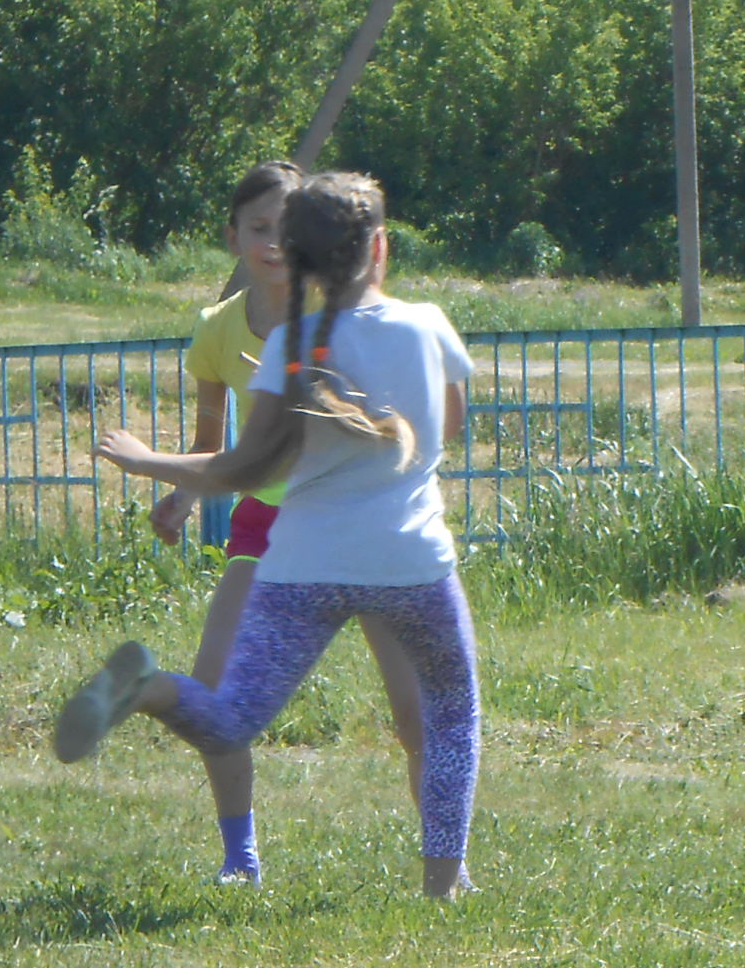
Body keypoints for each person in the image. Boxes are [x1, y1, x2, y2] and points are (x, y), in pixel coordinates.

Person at [55, 170, 482, 899]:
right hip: (410, 564)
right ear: (380, 247)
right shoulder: (427, 324)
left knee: (231, 715)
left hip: (303, 566)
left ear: (296, 256)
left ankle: (150, 689)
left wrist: (147, 461)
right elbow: (452, 428)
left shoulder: (288, 343)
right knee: (449, 716)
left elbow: (245, 467)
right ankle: (444, 888)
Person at [148, 160, 429, 884]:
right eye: (259, 227)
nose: (274, 243)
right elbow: (217, 447)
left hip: (357, 526)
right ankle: (239, 857)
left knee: (414, 710)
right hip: (267, 530)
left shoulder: (343, 316)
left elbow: (397, 421)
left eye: (288, 228)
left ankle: (444, 862)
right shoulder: (216, 331)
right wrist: (182, 491)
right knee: (215, 696)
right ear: (233, 235)